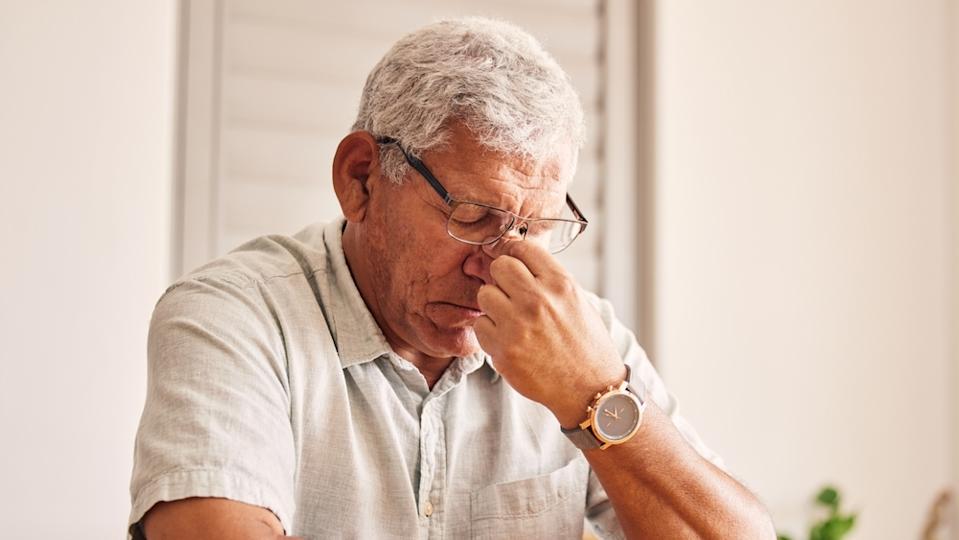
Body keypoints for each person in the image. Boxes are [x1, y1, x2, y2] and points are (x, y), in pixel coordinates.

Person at [128, 17, 774, 539]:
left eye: (534, 226)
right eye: (472, 216)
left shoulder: (582, 338)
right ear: (361, 178)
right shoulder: (235, 315)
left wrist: (593, 398)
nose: (500, 264)